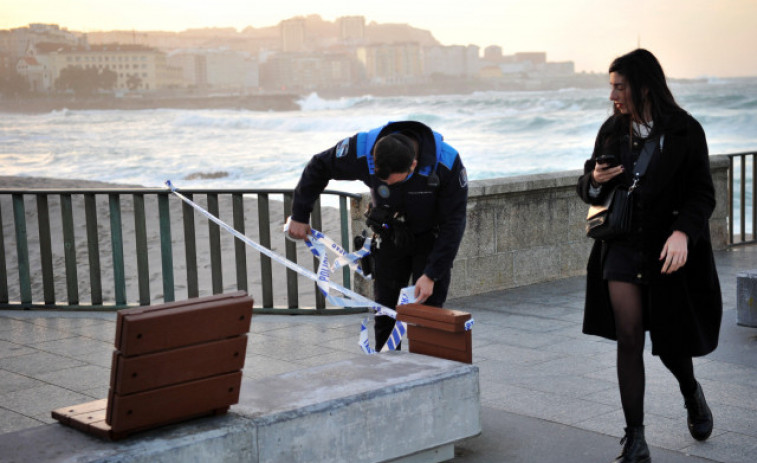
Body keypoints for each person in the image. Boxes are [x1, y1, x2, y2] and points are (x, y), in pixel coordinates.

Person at [576, 49, 722, 463]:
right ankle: (635, 439)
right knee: (629, 336)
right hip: (621, 246)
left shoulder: (685, 130)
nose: (612, 96)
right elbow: (587, 188)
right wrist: (594, 179)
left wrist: (682, 234)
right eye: (610, 87)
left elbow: (702, 194)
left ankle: (691, 392)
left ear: (642, 86)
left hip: (666, 249)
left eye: (618, 87)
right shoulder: (611, 130)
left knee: (671, 342)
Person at [287, 121, 468, 351]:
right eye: (380, 180)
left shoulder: (446, 162)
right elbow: (319, 165)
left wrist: (432, 274)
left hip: (430, 238)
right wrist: (300, 214)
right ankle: (390, 371)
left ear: (413, 165)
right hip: (390, 235)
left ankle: (430, 372)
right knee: (384, 310)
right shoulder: (362, 149)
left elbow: (455, 223)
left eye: (391, 181)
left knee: (429, 312)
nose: (384, 185)